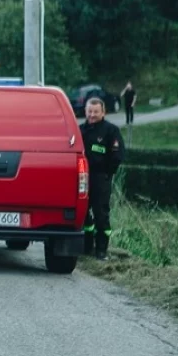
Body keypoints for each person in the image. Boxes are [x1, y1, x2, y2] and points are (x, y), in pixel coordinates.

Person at [80, 97, 125, 260]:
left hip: (100, 178)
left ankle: (101, 250)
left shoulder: (111, 130)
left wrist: (107, 174)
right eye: (89, 111)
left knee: (101, 215)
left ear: (103, 112)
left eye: (95, 112)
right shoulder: (80, 130)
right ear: (85, 111)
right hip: (82, 179)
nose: (92, 115)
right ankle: (86, 247)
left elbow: (118, 155)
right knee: (82, 213)